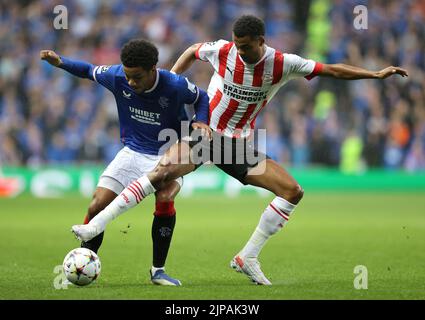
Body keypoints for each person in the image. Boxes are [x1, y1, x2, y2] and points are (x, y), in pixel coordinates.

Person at [71, 15, 408, 285]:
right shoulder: (223, 50)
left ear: (262, 41)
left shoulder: (283, 63)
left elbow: (330, 69)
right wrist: (173, 77)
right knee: (161, 174)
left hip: (237, 146)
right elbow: (191, 50)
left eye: (246, 46)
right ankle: (96, 225)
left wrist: (375, 74)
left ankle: (248, 256)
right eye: (237, 44)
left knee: (292, 191)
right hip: (206, 136)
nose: (239, 51)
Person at [40, 38, 211, 286]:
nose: (130, 82)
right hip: (131, 153)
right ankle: (84, 261)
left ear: (153, 69)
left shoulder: (174, 84)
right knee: (96, 205)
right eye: (128, 76)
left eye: (137, 77)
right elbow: (88, 70)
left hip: (168, 155)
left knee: (165, 198)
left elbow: (202, 97)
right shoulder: (117, 75)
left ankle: (158, 271)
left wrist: (201, 121)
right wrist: (60, 62)